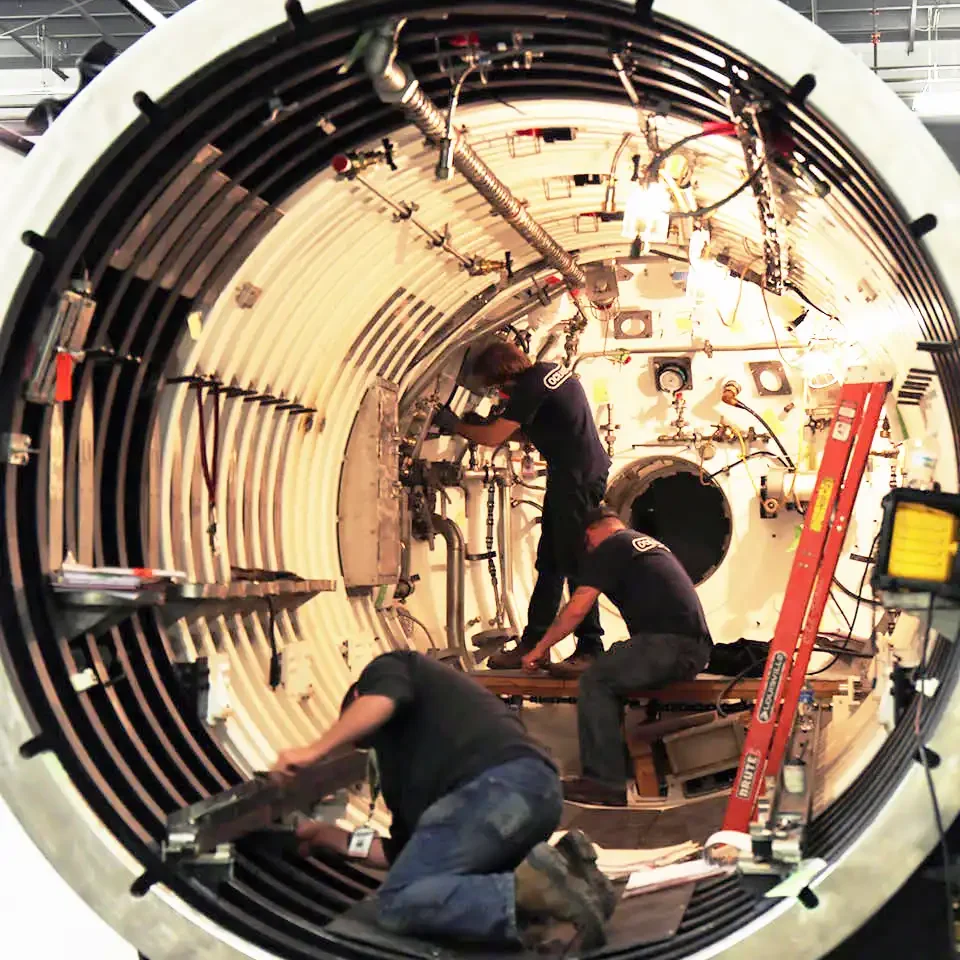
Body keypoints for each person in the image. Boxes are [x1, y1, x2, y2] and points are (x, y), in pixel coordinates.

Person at [271, 650, 614, 947]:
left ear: (360, 695)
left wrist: (313, 751)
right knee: (421, 884)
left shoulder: (392, 668)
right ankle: (575, 879)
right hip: (538, 796)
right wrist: (327, 837)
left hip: (494, 790)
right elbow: (402, 855)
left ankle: (532, 898)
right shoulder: (403, 776)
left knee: (396, 903)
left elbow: (382, 699)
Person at [433, 338, 610, 672]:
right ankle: (535, 643)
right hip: (576, 475)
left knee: (573, 563)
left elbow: (493, 438)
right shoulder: (546, 374)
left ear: (500, 378)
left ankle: (591, 646)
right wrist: (484, 425)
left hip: (576, 479)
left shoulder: (528, 386)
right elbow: (531, 433)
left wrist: (454, 423)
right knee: (551, 563)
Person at [521, 507, 714, 807]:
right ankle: (617, 769)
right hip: (690, 648)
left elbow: (577, 607)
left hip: (669, 646)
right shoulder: (643, 544)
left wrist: (540, 647)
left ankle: (603, 782)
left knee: (596, 682)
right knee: (610, 669)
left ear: (590, 534)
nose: (588, 554)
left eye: (586, 547)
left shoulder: (612, 545)